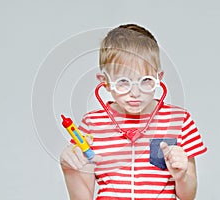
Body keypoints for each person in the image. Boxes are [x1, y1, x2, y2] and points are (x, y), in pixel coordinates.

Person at [60, 23, 207, 200]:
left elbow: (188, 196)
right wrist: (70, 169)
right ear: (104, 82)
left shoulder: (179, 121)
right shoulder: (92, 125)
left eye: (145, 81)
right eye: (123, 82)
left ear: (159, 78)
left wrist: (182, 176)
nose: (135, 93)